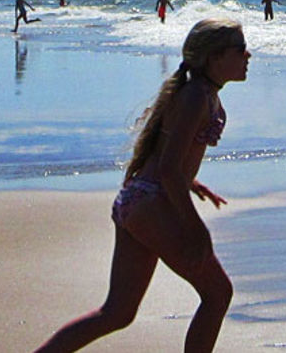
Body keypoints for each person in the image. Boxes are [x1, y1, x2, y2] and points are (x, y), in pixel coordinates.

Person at [36, 18, 250, 353]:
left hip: (137, 199)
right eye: (240, 49)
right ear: (214, 57)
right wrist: (196, 228)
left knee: (117, 312)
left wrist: (190, 182)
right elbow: (167, 169)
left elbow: (168, 160)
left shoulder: (200, 92)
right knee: (217, 293)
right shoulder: (196, 96)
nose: (248, 55)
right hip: (153, 203)